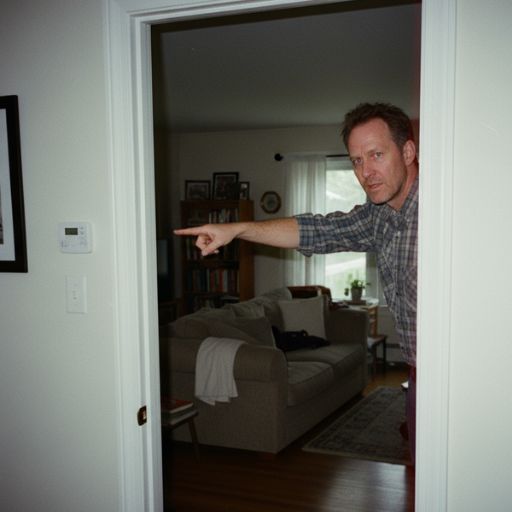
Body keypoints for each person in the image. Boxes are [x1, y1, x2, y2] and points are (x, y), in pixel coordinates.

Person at [174, 102, 419, 463]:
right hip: (419, 374)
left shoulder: (445, 211)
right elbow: (315, 229)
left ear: (408, 152)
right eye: (356, 160)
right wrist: (237, 229)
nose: (366, 172)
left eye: (376, 154)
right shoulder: (379, 217)